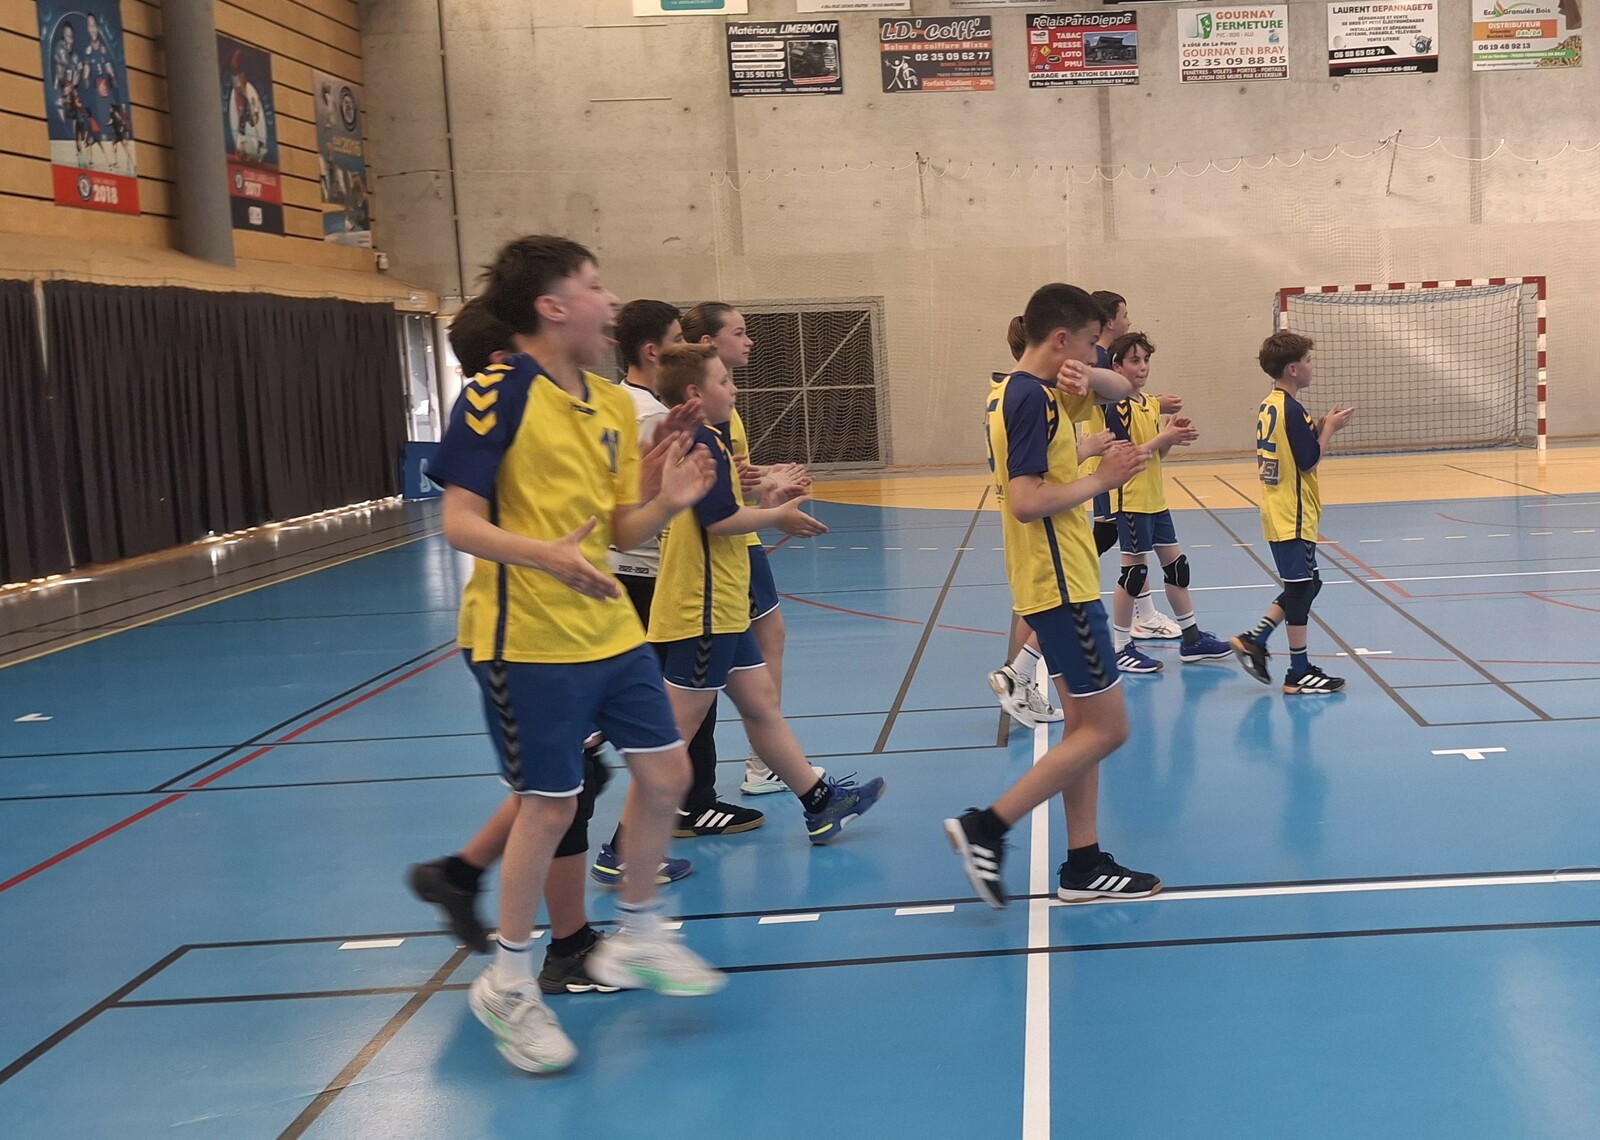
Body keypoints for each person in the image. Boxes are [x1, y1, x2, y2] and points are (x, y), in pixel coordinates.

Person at [429, 236, 724, 1073]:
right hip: (524, 640)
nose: (610, 299)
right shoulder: (494, 395)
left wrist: (666, 499)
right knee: (550, 806)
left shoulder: (606, 404)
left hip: (609, 631)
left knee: (666, 774)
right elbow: (458, 521)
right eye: (594, 285)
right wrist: (544, 555)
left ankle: (637, 932)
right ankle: (508, 983)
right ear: (552, 307)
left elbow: (619, 528)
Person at [946, 283, 1161, 909]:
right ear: (1062, 338)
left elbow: (1122, 390)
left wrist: (1086, 401)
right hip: (1061, 582)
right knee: (1109, 729)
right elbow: (1026, 500)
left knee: (1081, 725)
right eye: (1092, 344)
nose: (1097, 355)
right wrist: (1103, 477)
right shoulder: (1031, 398)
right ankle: (986, 827)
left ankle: (1084, 862)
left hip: (1053, 579)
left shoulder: (1020, 390)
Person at [649, 343, 886, 844]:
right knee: (670, 741)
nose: (734, 389)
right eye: (723, 381)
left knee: (759, 704)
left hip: (726, 604)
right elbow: (717, 522)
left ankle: (820, 803)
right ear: (694, 393)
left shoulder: (707, 440)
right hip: (703, 608)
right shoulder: (701, 443)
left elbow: (719, 509)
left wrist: (767, 496)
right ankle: (625, 849)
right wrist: (776, 516)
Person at [600, 298, 767, 857]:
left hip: (662, 574)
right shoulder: (657, 416)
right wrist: (772, 512)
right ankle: (638, 838)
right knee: (674, 717)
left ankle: (808, 797)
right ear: (653, 351)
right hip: (663, 577)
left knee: (706, 703)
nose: (689, 346)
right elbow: (680, 507)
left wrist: (735, 480)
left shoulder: (632, 406)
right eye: (678, 339)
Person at [679, 303, 823, 797]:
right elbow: (716, 498)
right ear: (707, 344)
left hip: (740, 542)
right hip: (723, 553)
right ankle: (760, 765)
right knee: (705, 688)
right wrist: (773, 508)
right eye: (739, 333)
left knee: (760, 651)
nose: (749, 341)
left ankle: (777, 769)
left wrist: (768, 479)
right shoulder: (703, 417)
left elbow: (731, 478)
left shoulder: (725, 408)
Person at [1230, 332, 1355, 695]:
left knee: (1308, 584)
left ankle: (1256, 639)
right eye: (1308, 361)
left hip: (1278, 508)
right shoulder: (1292, 410)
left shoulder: (1270, 405)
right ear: (1293, 369)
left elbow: (1291, 441)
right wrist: (1328, 430)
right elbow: (1309, 460)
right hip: (1292, 512)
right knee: (1301, 588)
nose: (1312, 366)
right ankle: (1297, 671)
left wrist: (1316, 426)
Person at [1103, 332, 1232, 670]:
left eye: (1146, 360)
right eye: (1135, 360)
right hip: (1131, 500)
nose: (1143, 367)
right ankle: (1120, 647)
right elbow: (1126, 456)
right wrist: (1164, 435)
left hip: (1155, 499)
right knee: (1134, 574)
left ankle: (1192, 639)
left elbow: (1155, 454)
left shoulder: (1148, 404)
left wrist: (1170, 437)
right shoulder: (1118, 407)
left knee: (1177, 567)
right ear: (1117, 367)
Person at [1091, 291, 1182, 641]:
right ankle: (1070, 595)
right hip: (1109, 468)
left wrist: (1152, 407)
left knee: (1138, 554)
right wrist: (1153, 405)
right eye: (1124, 314)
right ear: (1110, 321)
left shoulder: (1105, 359)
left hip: (1128, 473)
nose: (1128, 320)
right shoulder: (1098, 359)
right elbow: (1110, 404)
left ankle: (1146, 616)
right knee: (1113, 544)